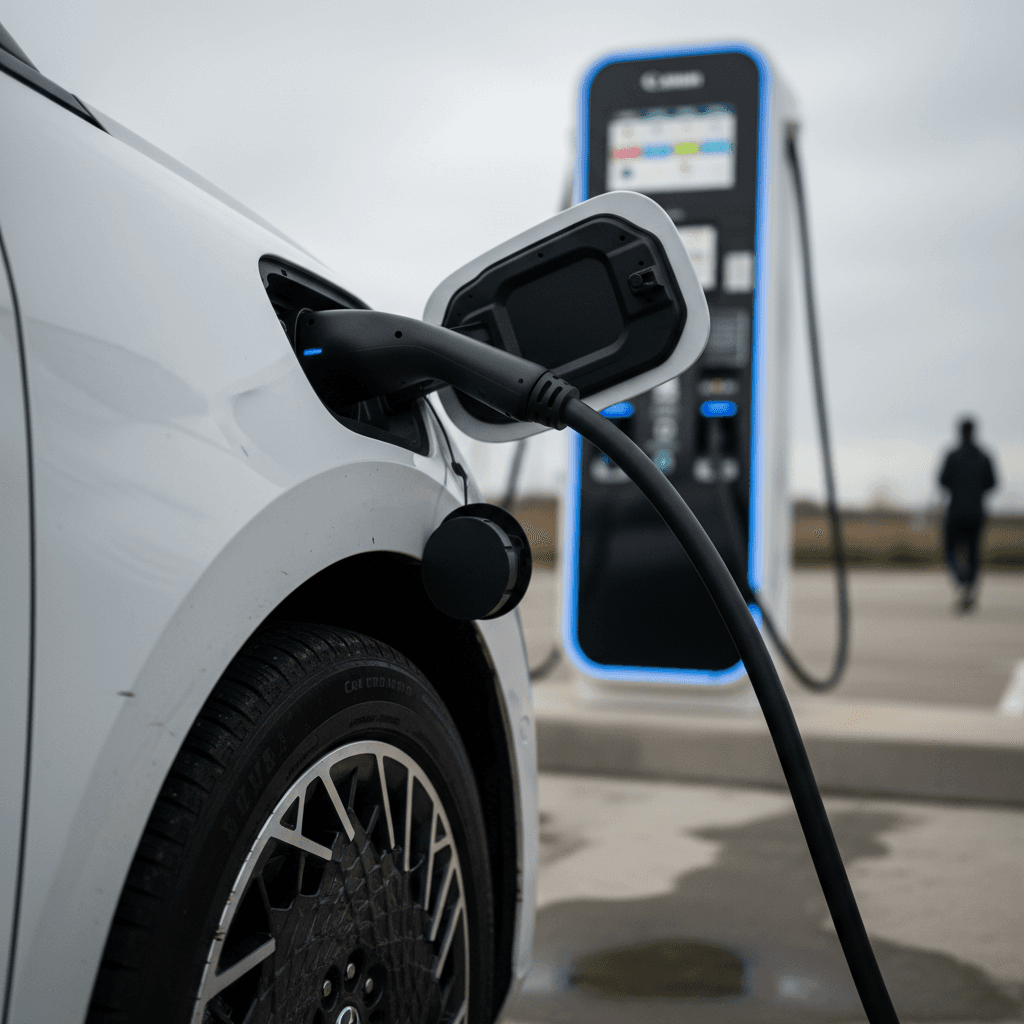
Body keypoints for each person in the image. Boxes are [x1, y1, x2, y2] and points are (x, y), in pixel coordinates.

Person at [938, 417, 997, 611]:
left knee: (949, 551)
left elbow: (943, 480)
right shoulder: (984, 456)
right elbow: (992, 483)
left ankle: (963, 580)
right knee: (973, 552)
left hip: (956, 511)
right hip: (976, 512)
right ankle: (969, 585)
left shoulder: (953, 456)